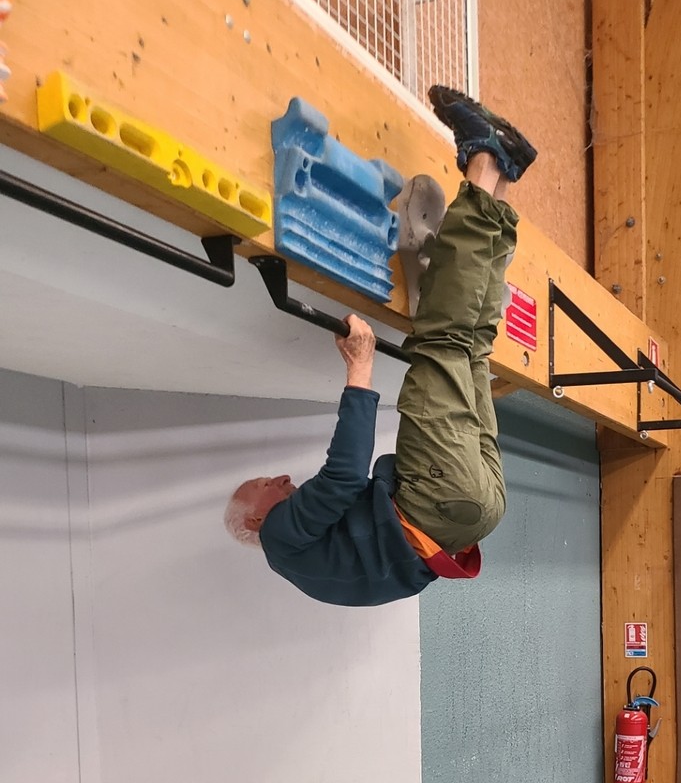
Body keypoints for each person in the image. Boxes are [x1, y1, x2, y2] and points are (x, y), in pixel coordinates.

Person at [223, 86, 537, 605]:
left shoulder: (308, 565)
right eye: (261, 483)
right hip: (435, 501)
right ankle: (484, 160)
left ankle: (500, 181)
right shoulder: (277, 538)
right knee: (440, 339)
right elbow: (345, 474)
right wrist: (360, 370)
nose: (279, 476)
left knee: (471, 346)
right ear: (255, 517)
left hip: (472, 516)